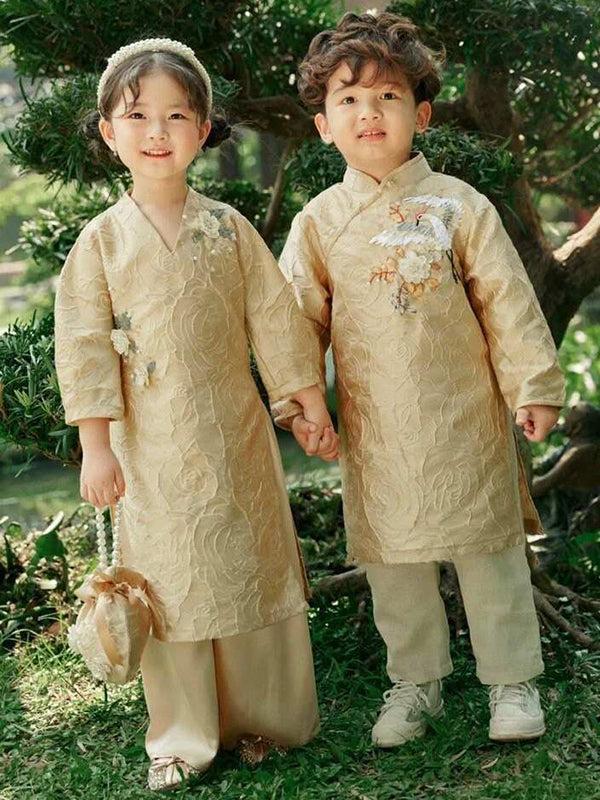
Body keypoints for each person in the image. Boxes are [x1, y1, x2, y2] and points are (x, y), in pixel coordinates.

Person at [274, 12, 566, 747]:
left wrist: (532, 385)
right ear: (323, 126)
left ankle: (512, 682)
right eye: (348, 99)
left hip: (464, 412)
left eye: (388, 96)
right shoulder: (318, 223)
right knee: (392, 561)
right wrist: (303, 404)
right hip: (375, 426)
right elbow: (293, 322)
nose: (369, 112)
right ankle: (415, 684)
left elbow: (506, 300)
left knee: (489, 548)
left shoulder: (459, 205)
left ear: (422, 114)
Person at [54, 37, 338, 791]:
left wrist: (305, 404)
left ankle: (266, 719)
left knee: (247, 566)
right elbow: (83, 347)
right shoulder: (100, 241)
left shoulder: (228, 229)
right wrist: (95, 446)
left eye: (177, 115)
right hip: (147, 444)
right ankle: (182, 736)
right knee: (172, 578)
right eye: (137, 115)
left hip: (234, 432)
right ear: (109, 131)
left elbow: (274, 321)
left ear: (205, 127)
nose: (158, 131)